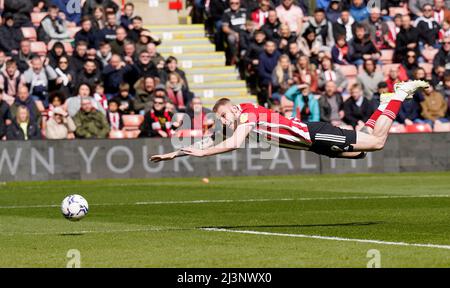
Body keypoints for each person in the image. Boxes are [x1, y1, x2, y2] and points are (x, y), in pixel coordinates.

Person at [150, 81, 430, 162]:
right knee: (360, 149)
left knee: (377, 143)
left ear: (233, 109)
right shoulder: (241, 114)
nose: (224, 121)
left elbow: (233, 144)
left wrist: (201, 153)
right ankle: (384, 104)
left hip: (313, 134)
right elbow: (213, 138)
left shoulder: (247, 115)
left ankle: (399, 96)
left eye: (224, 116)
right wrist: (176, 152)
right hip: (312, 144)